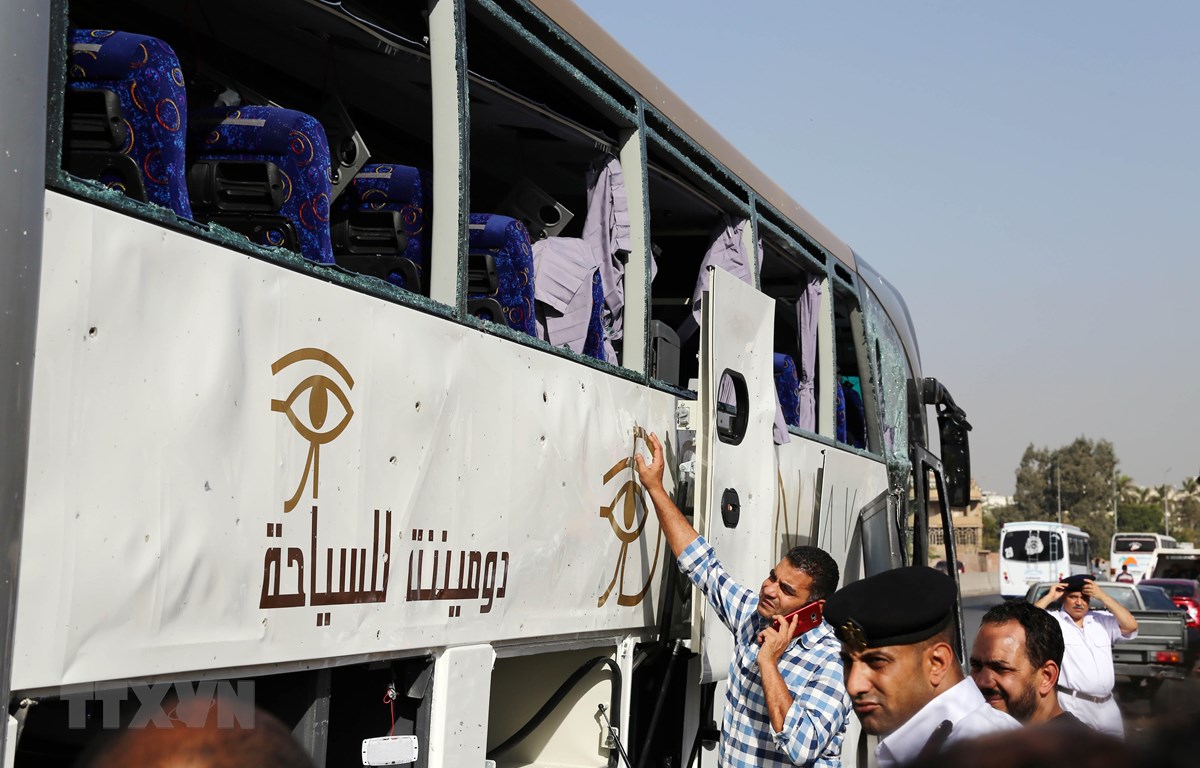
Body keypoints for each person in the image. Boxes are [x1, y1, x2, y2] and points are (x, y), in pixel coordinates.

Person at [635, 432, 851, 767]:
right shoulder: (754, 615)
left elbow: (802, 747)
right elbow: (702, 564)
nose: (769, 589)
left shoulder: (832, 661)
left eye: (786, 590)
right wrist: (655, 487)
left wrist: (769, 662)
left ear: (816, 608)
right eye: (772, 576)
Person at [824, 566, 1019, 767]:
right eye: (847, 662)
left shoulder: (987, 754)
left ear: (937, 663)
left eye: (877, 662)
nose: (854, 685)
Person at [1033, 574, 1138, 737]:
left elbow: (1131, 625)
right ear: (1063, 598)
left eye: (1084, 597)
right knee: (1079, 752)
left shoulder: (1101, 620)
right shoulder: (1054, 621)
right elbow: (1025, 622)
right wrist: (1050, 597)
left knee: (1115, 752)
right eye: (1073, 597)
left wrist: (1103, 596)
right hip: (1074, 704)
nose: (1079, 602)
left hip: (1107, 706)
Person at [969, 600, 1086, 728]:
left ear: (1047, 677)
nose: (982, 681)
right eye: (976, 666)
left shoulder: (1079, 741)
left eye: (1000, 668)